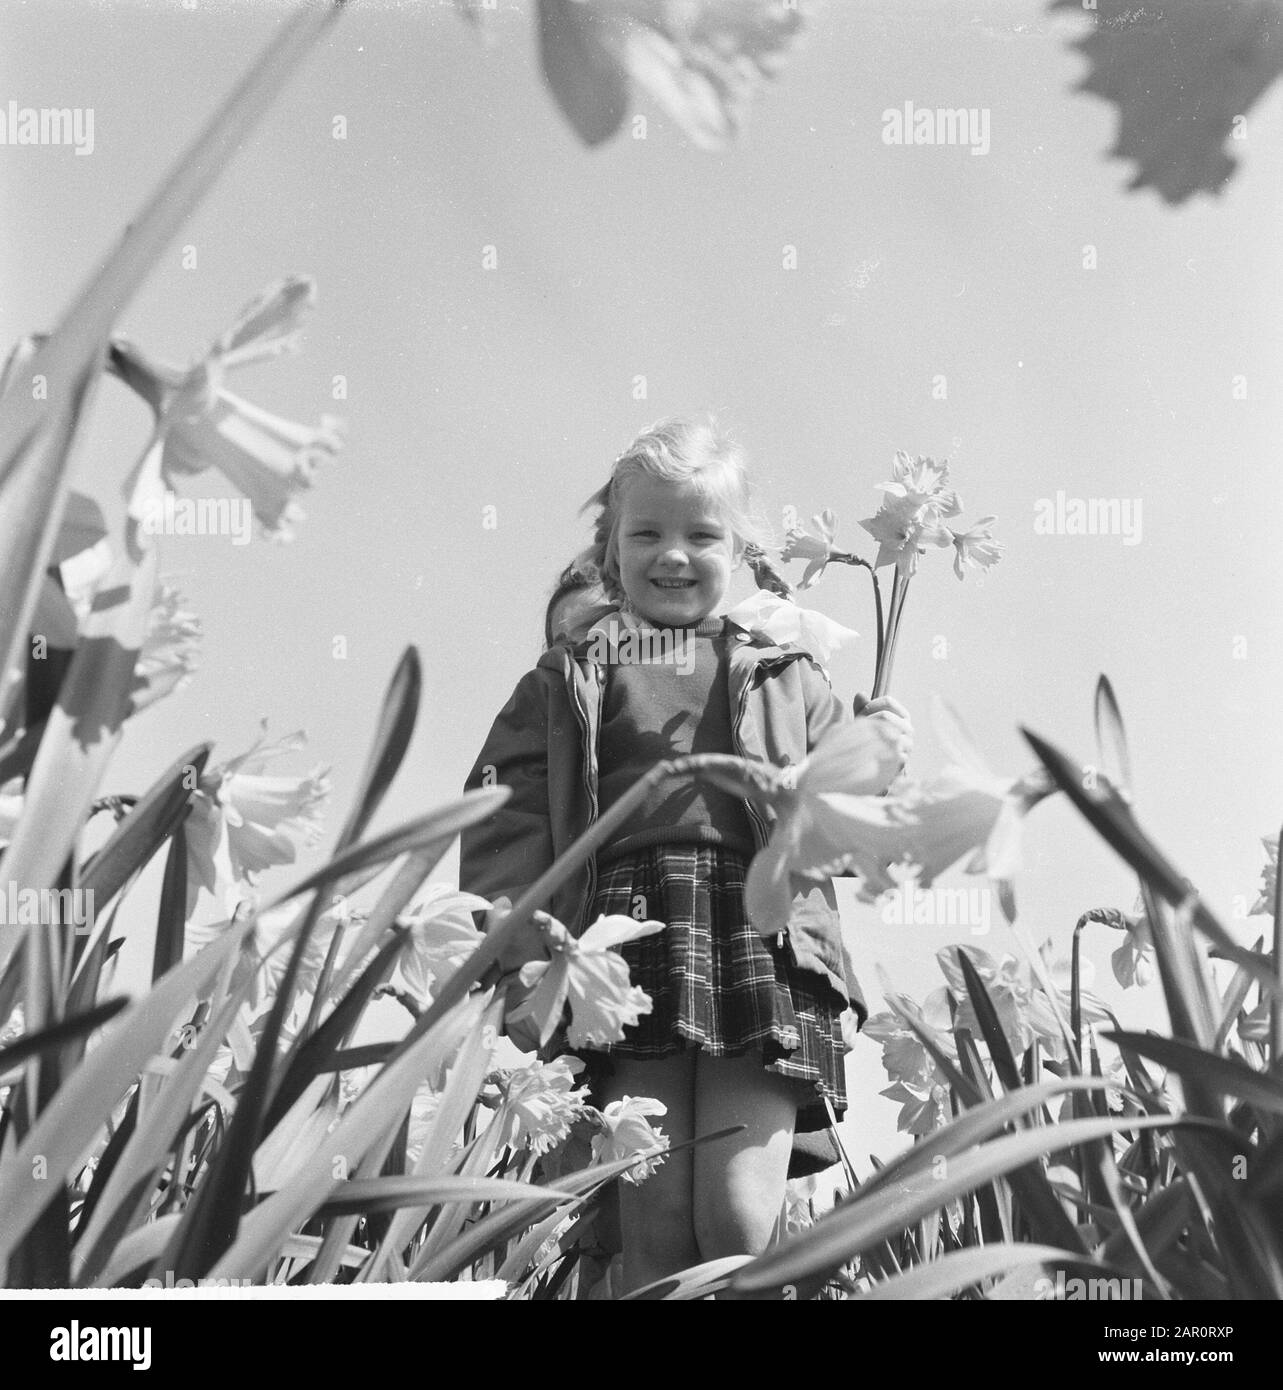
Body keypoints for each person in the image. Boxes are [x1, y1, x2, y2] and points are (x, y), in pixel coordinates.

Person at [460, 417, 911, 1294]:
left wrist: (879, 753)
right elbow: (503, 815)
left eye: (701, 534)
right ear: (612, 547)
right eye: (647, 534)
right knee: (655, 1214)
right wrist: (523, 952)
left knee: (739, 1215)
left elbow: (850, 829)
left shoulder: (790, 672)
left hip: (762, 934)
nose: (674, 555)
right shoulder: (567, 676)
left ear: (738, 549)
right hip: (627, 939)